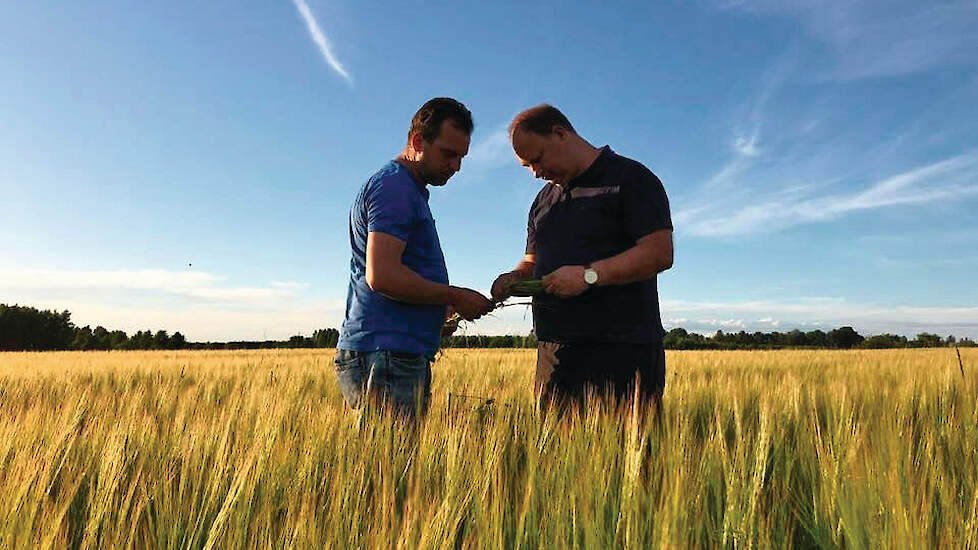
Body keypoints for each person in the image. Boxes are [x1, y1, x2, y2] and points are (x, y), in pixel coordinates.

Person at [491, 104, 674, 415]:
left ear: (560, 134)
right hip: (555, 354)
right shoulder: (542, 202)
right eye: (527, 166)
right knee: (555, 458)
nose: (535, 172)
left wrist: (588, 276)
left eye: (537, 159)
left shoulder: (632, 179)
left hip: (623, 350)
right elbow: (532, 261)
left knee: (628, 459)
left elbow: (659, 252)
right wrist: (514, 278)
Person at [336, 98, 493, 418]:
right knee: (391, 467)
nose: (456, 166)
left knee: (387, 464)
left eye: (461, 157)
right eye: (448, 154)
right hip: (388, 355)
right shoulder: (395, 188)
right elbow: (382, 276)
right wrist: (455, 295)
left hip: (389, 352)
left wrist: (437, 309)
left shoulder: (405, 188)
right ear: (418, 141)